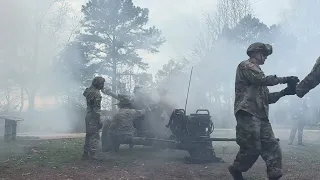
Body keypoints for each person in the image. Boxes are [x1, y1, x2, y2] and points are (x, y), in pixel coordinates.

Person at [229, 42, 299, 180]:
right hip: (247, 113)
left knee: (272, 146)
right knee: (252, 147)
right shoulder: (246, 66)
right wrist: (285, 79)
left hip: (261, 116)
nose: (266, 57)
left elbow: (268, 98)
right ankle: (236, 168)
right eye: (264, 54)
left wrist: (285, 92)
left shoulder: (259, 76)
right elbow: (262, 80)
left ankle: (274, 175)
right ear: (255, 53)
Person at [82, 76, 105, 160]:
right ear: (98, 84)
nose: (103, 85)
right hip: (93, 117)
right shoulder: (96, 94)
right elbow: (96, 109)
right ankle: (93, 154)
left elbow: (84, 93)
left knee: (88, 135)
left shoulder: (89, 90)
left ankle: (85, 153)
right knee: (95, 135)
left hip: (88, 116)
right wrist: (99, 120)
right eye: (102, 83)